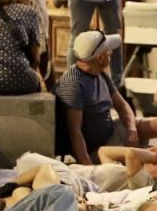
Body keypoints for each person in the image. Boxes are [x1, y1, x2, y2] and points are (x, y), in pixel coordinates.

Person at [52, 30, 150, 165]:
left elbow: (122, 106)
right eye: (107, 50)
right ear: (99, 58)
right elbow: (75, 133)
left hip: (111, 132)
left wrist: (131, 128)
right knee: (148, 157)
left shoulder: (99, 73)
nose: (110, 52)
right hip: (97, 150)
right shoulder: (73, 84)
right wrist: (90, 170)